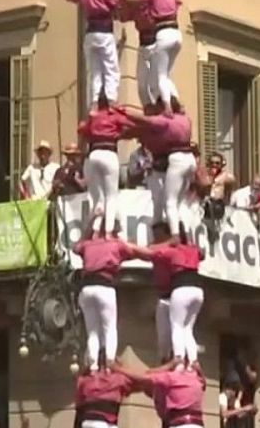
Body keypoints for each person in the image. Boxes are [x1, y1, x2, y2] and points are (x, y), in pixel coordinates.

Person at [124, 225, 204, 368]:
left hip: (181, 289)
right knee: (187, 329)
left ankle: (178, 361)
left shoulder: (171, 252)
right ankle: (193, 361)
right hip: (198, 290)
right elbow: (202, 254)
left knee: (177, 326)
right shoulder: (193, 250)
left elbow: (149, 253)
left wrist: (128, 245)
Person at [122, 102, 195, 239]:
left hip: (172, 164)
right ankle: (167, 236)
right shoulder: (171, 123)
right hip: (163, 168)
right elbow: (130, 131)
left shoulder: (164, 122)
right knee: (165, 206)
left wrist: (121, 110)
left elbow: (141, 122)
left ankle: (177, 237)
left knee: (172, 204)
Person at [63, 0, 124, 106]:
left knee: (94, 70)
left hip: (90, 33)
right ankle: (112, 99)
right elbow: (117, 9)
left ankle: (94, 102)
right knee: (111, 68)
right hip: (105, 32)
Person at [74, 221, 126, 371]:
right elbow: (132, 251)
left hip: (86, 289)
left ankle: (93, 365)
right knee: (110, 329)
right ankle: (109, 364)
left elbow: (76, 247)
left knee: (92, 331)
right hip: (104, 286)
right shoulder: (115, 244)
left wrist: (89, 226)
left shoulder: (88, 244)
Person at [80, 96, 128, 238]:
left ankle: (95, 229)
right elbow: (125, 127)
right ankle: (108, 231)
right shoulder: (113, 116)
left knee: (99, 198)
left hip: (94, 154)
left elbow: (82, 131)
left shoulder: (93, 118)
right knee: (111, 196)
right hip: (109, 152)